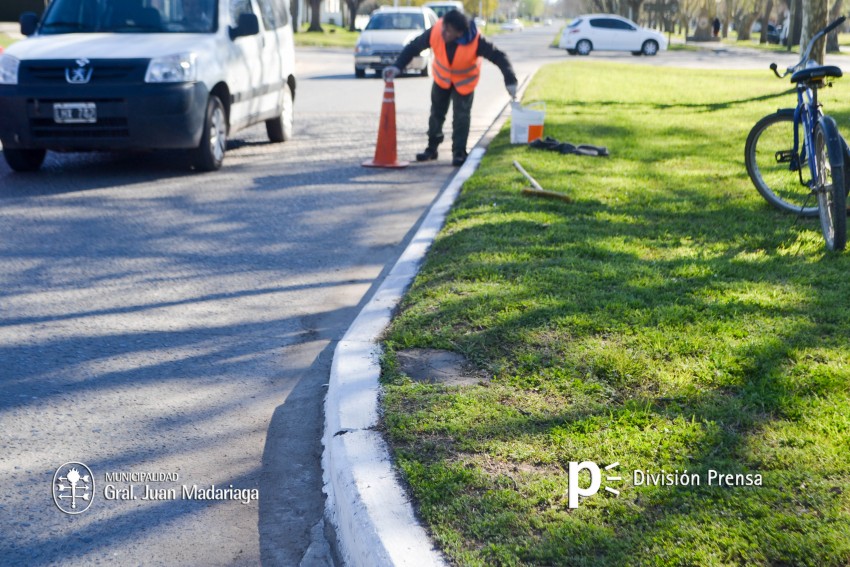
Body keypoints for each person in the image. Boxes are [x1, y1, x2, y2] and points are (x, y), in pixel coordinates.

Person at [383, 10, 518, 166]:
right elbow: (414, 47)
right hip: (442, 79)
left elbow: (499, 56)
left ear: (459, 33)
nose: (443, 32)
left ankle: (459, 152)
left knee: (461, 117)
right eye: (444, 28)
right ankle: (431, 149)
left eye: (448, 31)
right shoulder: (436, 31)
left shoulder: (476, 40)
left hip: (464, 83)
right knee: (436, 114)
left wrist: (510, 80)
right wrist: (397, 67)